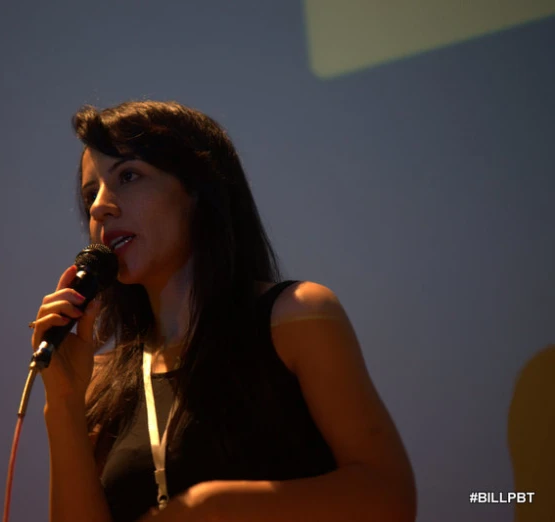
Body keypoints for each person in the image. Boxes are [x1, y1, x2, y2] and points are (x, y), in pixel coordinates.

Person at [30, 100, 417, 522]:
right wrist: (63, 403)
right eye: (90, 195)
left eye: (128, 176)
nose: (100, 207)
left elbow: (389, 496)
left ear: (199, 191)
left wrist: (216, 507)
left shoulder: (298, 317)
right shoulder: (102, 379)